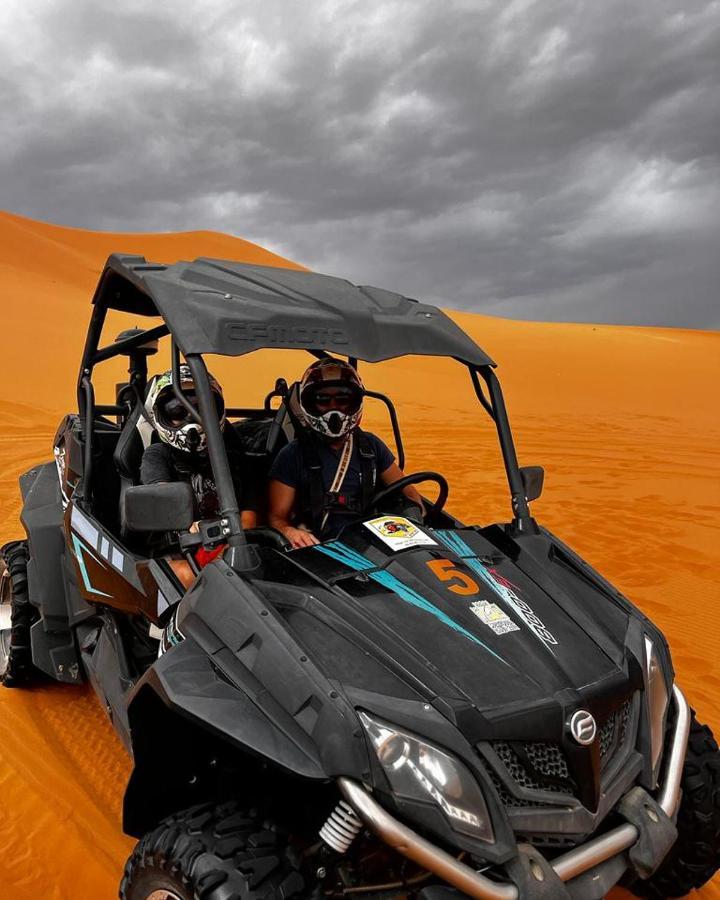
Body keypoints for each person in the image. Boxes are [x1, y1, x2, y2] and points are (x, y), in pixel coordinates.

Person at [268, 358, 423, 549]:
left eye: (342, 400)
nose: (334, 408)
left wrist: (408, 517)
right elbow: (276, 518)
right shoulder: (292, 454)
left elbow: (412, 497)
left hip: (369, 547)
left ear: (354, 402)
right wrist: (289, 531)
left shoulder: (372, 446)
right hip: (318, 549)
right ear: (309, 405)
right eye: (323, 401)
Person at [140, 366, 257, 585]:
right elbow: (164, 502)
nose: (190, 420)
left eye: (200, 408)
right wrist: (188, 525)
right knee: (189, 576)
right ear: (161, 415)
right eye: (176, 411)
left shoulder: (233, 458)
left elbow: (249, 516)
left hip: (230, 546)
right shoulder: (157, 455)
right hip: (177, 549)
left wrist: (232, 548)